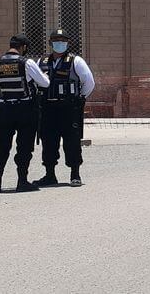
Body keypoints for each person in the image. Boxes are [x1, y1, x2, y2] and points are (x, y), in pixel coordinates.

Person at [0, 34, 50, 193]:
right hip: (25, 109)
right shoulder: (26, 63)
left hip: (4, 110)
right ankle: (22, 181)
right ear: (24, 48)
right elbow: (45, 83)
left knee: (1, 147)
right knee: (24, 147)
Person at [33, 29, 95, 188]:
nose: (59, 43)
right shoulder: (42, 61)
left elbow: (89, 82)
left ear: (68, 43)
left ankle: (75, 174)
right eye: (56, 40)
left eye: (63, 40)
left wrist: (79, 98)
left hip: (69, 108)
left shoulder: (76, 61)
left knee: (72, 141)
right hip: (48, 108)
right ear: (50, 43)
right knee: (48, 141)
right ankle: (50, 175)